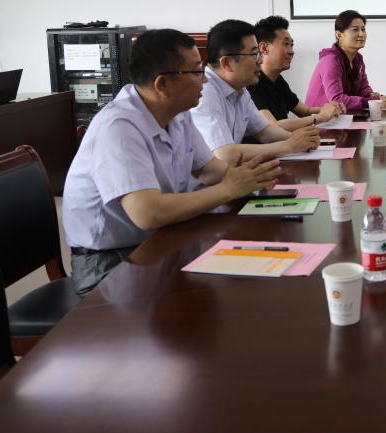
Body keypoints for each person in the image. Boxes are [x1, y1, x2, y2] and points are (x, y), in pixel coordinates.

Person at [62, 29, 282, 295]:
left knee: (239, 285)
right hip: (109, 260)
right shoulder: (118, 127)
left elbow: (208, 170)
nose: (205, 80)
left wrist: (248, 178)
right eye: (197, 72)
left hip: (158, 240)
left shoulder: (178, 113)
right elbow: (148, 213)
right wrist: (229, 188)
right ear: (162, 84)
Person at [192, 19, 319, 159]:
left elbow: (265, 132)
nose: (260, 60)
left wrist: (298, 138)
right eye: (254, 54)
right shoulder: (204, 92)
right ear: (227, 63)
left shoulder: (240, 90)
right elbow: (224, 154)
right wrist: (290, 145)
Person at [249, 15, 344, 131]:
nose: (291, 52)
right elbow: (272, 126)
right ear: (264, 48)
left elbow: (305, 111)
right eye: (286, 44)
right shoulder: (251, 83)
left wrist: (329, 108)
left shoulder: (278, 80)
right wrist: (320, 117)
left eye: (291, 45)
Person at [305, 9, 386, 111]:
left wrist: (374, 96)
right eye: (355, 29)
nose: (361, 34)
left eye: (363, 29)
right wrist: (370, 102)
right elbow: (336, 99)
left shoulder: (358, 59)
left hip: (343, 114)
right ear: (339, 35)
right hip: (319, 116)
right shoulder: (330, 60)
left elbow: (363, 88)